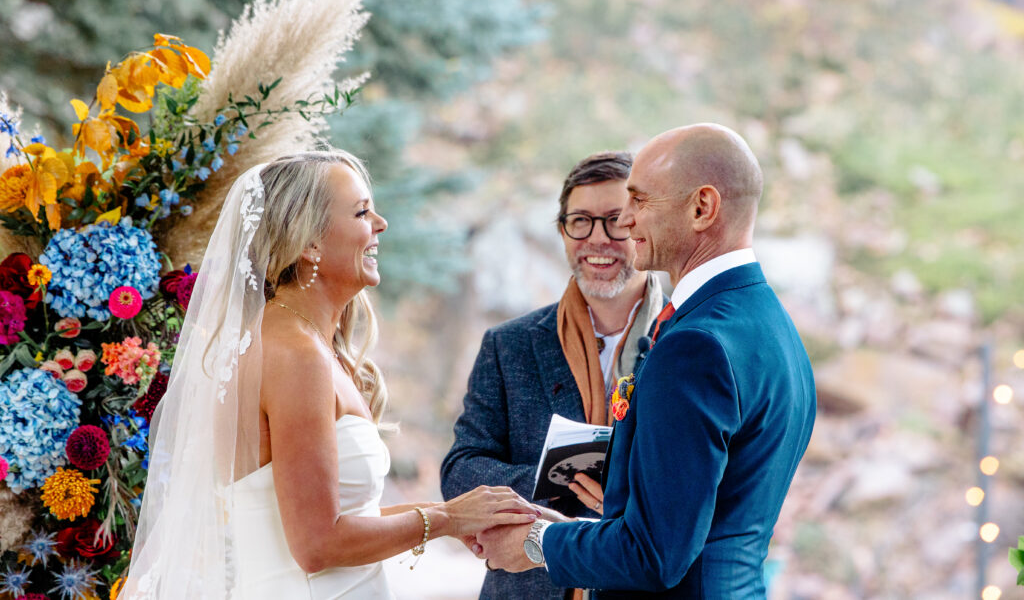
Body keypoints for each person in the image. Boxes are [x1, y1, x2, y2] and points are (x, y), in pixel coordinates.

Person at [122, 149, 538, 600]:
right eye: (361, 212)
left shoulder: (299, 342)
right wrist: (446, 520)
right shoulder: (295, 355)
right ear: (309, 243)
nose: (381, 224)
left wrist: (452, 514)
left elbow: (340, 514)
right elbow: (317, 544)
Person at [477, 124, 817, 598]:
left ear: (702, 208)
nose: (627, 221)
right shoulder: (770, 324)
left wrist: (538, 542)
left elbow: (654, 554)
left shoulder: (695, 347)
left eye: (639, 201)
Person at [441, 151, 665, 600]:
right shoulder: (510, 344)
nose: (596, 239)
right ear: (562, 230)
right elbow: (460, 470)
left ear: (642, 226)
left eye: (616, 220)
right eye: (579, 221)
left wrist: (624, 490)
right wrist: (558, 486)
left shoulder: (684, 341)